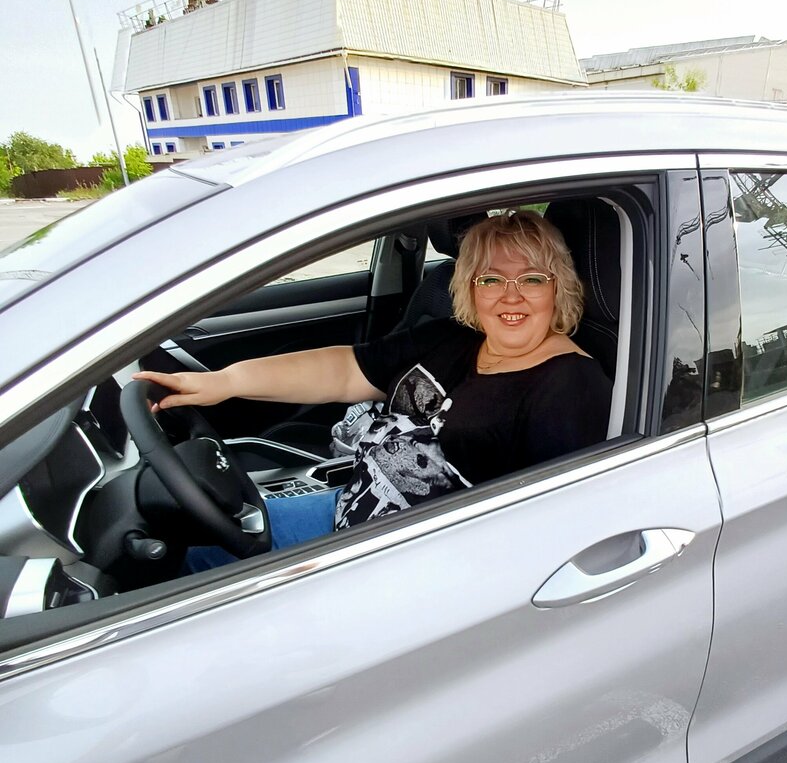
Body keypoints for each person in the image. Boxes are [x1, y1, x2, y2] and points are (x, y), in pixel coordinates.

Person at [134, 209, 612, 560]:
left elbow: (547, 529)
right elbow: (345, 370)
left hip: (402, 561)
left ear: (558, 287)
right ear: (470, 286)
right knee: (187, 543)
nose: (510, 296)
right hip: (350, 507)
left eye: (531, 279)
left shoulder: (571, 385)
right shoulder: (453, 338)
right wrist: (227, 381)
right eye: (491, 280)